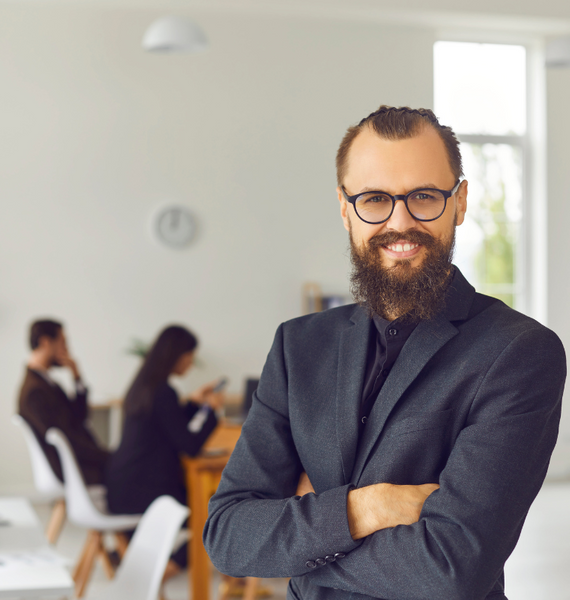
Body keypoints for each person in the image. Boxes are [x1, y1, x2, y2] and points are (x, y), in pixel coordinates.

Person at [203, 106, 567, 600]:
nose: (400, 222)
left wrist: (300, 545)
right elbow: (227, 535)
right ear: (344, 206)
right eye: (374, 199)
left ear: (459, 202)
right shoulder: (298, 346)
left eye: (423, 197)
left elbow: (450, 568)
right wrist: (367, 509)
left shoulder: (518, 352)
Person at [105, 324, 224, 572]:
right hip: (143, 493)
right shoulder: (163, 392)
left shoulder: (145, 386)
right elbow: (189, 445)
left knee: (209, 514)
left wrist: (192, 402)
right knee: (215, 520)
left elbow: (168, 427)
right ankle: (160, 577)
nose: (191, 363)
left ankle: (149, 570)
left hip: (123, 486)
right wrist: (212, 412)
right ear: (177, 355)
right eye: (190, 355)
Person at [18, 319, 109, 485]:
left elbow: (80, 417)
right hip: (72, 467)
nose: (67, 349)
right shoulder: (35, 391)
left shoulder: (46, 383)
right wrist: (107, 456)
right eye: (63, 342)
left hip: (77, 460)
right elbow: (67, 439)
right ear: (45, 342)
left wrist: (76, 376)